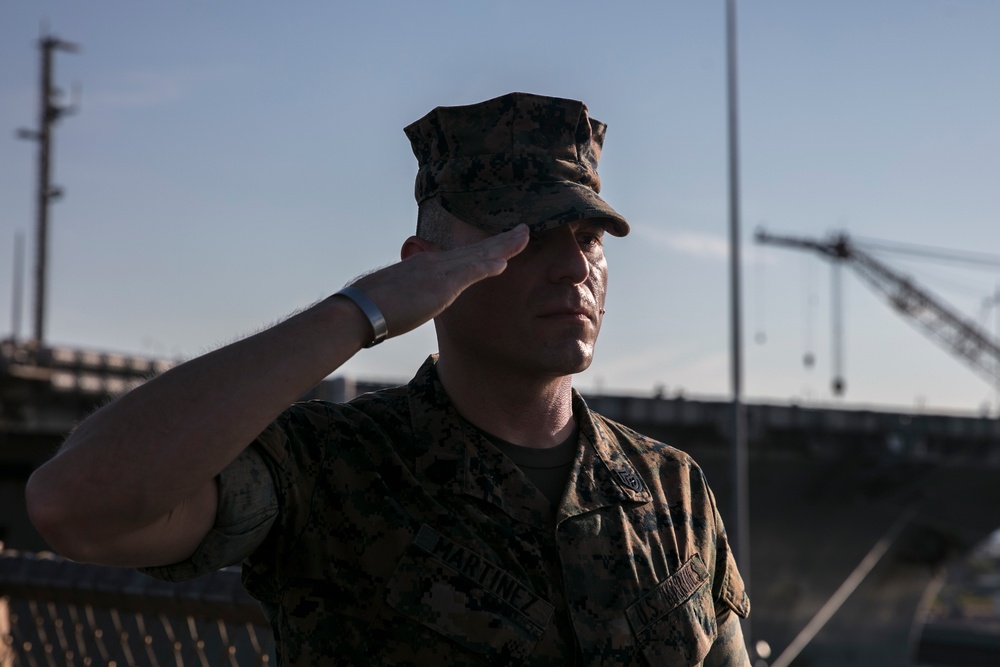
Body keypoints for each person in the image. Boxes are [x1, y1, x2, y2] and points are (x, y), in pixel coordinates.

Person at [26, 92, 750, 666]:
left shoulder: (670, 488)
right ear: (424, 262)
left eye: (589, 238)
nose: (574, 268)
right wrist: (362, 311)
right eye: (524, 237)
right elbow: (76, 505)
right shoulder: (331, 470)